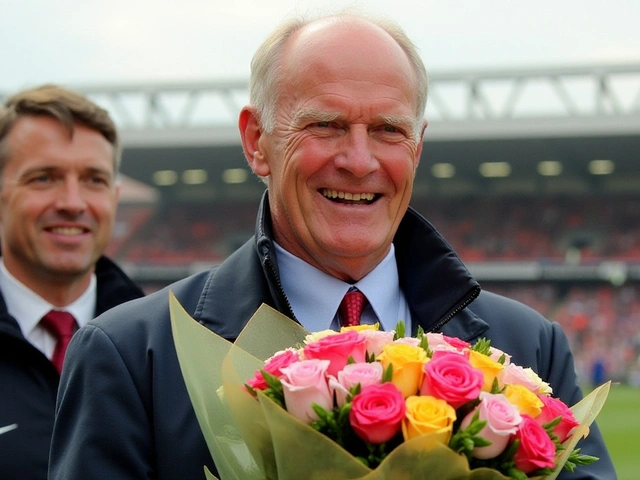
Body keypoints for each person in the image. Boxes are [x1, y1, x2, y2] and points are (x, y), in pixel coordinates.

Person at [49, 12, 616, 480]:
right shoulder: (130, 358)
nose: (360, 160)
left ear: (417, 148)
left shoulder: (529, 348)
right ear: (256, 141)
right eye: (325, 125)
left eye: (389, 131)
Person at [0, 85, 145, 480]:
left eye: (93, 180)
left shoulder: (162, 344)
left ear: (114, 198)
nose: (73, 202)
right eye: (44, 178)